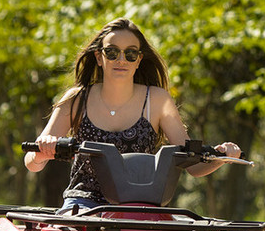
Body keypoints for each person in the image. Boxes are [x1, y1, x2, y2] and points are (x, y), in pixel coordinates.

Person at [24, 18, 241, 211]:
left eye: (130, 54)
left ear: (138, 60)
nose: (121, 59)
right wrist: (42, 151)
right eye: (112, 52)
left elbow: (193, 165)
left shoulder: (157, 100)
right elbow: (31, 162)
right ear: (99, 57)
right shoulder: (76, 99)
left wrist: (223, 157)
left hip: (139, 209)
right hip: (83, 206)